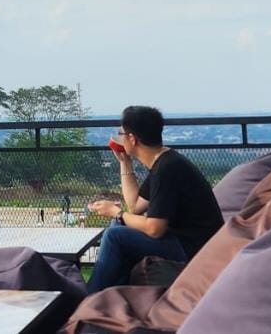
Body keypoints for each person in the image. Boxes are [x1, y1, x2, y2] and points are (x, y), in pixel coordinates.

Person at [85, 106, 223, 292]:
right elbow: (135, 206)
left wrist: (117, 213)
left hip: (194, 247)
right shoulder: (164, 161)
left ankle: (89, 296)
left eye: (121, 133)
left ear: (132, 139)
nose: (119, 138)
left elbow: (154, 229)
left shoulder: (167, 169)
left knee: (114, 235)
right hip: (185, 239)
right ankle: (112, 292)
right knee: (118, 226)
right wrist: (125, 163)